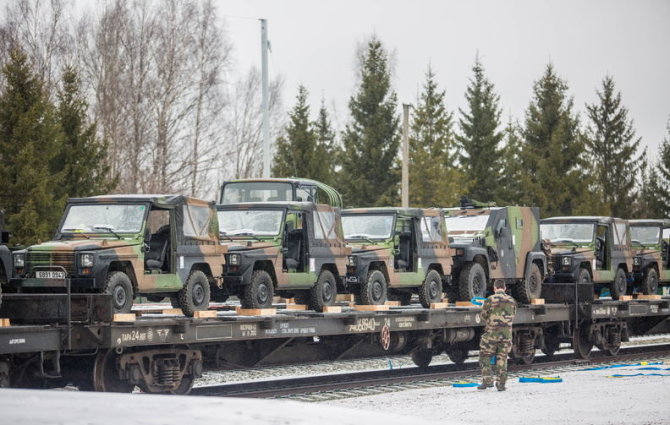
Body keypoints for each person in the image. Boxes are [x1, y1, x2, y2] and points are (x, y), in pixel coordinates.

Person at [478, 279, 517, 391]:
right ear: (504, 288)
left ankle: (487, 381)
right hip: (506, 336)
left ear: (494, 288)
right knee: (502, 358)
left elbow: (483, 316)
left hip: (491, 335)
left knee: (485, 356)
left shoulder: (490, 299)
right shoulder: (512, 300)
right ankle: (501, 384)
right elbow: (513, 315)